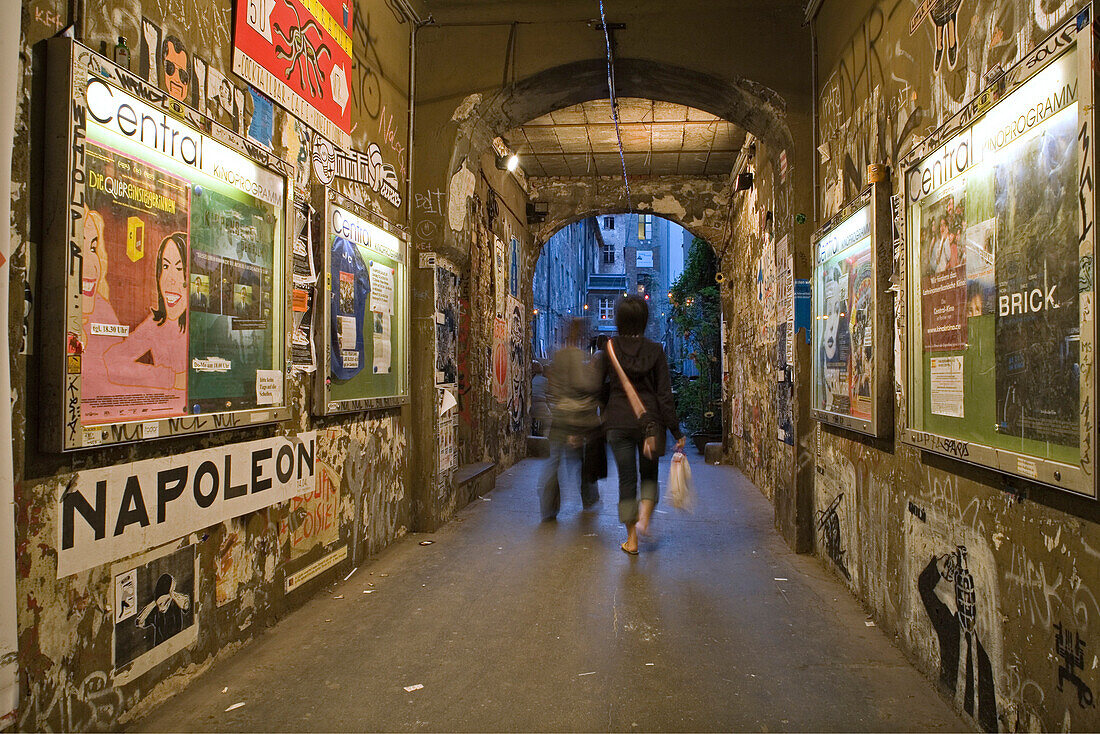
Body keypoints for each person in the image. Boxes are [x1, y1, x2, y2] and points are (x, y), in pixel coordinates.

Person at [598, 296, 684, 554]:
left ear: (619, 319)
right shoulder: (656, 350)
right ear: (644, 319)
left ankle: (632, 539)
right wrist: (676, 431)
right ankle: (645, 518)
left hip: (618, 422)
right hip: (650, 425)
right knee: (649, 474)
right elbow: (664, 396)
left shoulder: (609, 348)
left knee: (626, 479)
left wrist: (605, 412)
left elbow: (599, 388)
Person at [105, 232, 189, 413]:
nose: (170, 278)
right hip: (166, 413)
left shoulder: (206, 325)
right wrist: (171, 378)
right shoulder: (157, 324)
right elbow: (112, 361)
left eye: (179, 268)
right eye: (165, 267)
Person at [540, 318, 602, 521]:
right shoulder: (579, 357)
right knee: (583, 460)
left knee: (554, 461)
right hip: (576, 418)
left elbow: (552, 386)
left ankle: (549, 506)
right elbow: (583, 386)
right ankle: (590, 498)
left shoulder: (558, 356)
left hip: (559, 414)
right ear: (581, 335)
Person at [530, 360, 550, 437]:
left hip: (531, 403)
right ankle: (545, 437)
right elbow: (547, 392)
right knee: (548, 418)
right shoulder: (544, 380)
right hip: (540, 403)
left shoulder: (531, 379)